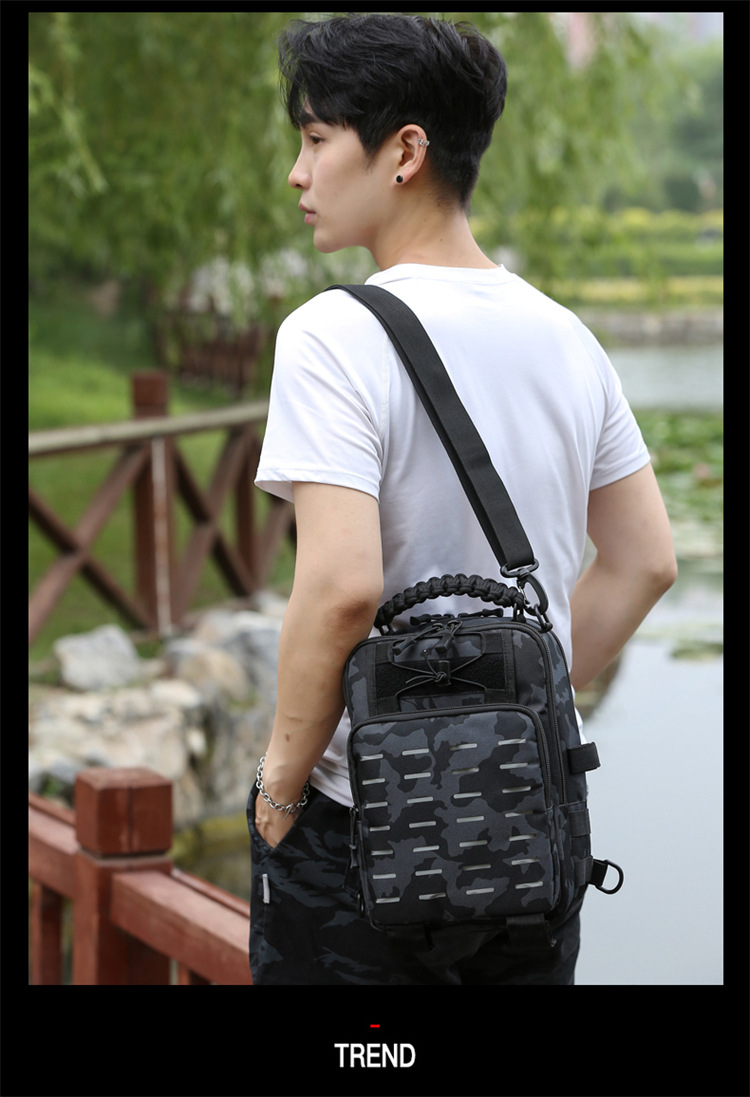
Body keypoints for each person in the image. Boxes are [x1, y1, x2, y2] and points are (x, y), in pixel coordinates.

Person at [246, 13, 677, 985]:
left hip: (364, 820)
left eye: (315, 139)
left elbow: (342, 588)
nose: (297, 173)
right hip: (530, 816)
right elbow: (647, 559)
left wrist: (277, 787)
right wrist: (514, 707)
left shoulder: (329, 335)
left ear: (405, 152)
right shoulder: (567, 336)